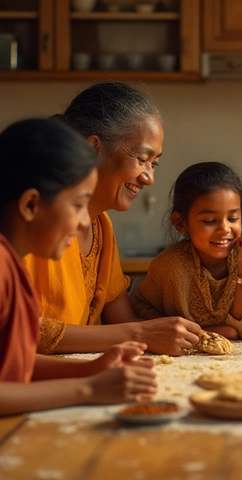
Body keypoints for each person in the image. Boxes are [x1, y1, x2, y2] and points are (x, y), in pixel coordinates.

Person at [23, 81, 201, 356]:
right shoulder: (29, 219)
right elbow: (20, 332)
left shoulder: (102, 225)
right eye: (142, 158)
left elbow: (123, 322)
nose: (149, 177)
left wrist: (190, 334)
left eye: (154, 163)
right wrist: (139, 335)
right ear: (93, 147)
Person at [0, 118, 157, 416]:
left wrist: (89, 370)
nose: (86, 221)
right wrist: (89, 390)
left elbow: (15, 361)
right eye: (78, 205)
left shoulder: (13, 263)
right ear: (30, 205)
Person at [133, 162, 242, 340]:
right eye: (209, 220)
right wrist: (187, 331)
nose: (225, 229)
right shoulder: (169, 265)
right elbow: (141, 309)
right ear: (180, 223)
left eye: (233, 218)